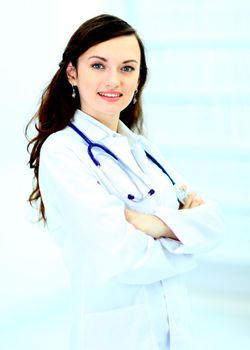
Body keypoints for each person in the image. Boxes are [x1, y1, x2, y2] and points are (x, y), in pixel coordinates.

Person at [26, 14, 223, 350]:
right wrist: (187, 236)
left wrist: (154, 225)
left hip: (174, 329)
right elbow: (126, 257)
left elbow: (214, 223)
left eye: (127, 68)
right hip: (116, 334)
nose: (113, 80)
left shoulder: (143, 149)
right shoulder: (63, 153)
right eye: (98, 66)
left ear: (139, 79)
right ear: (72, 72)